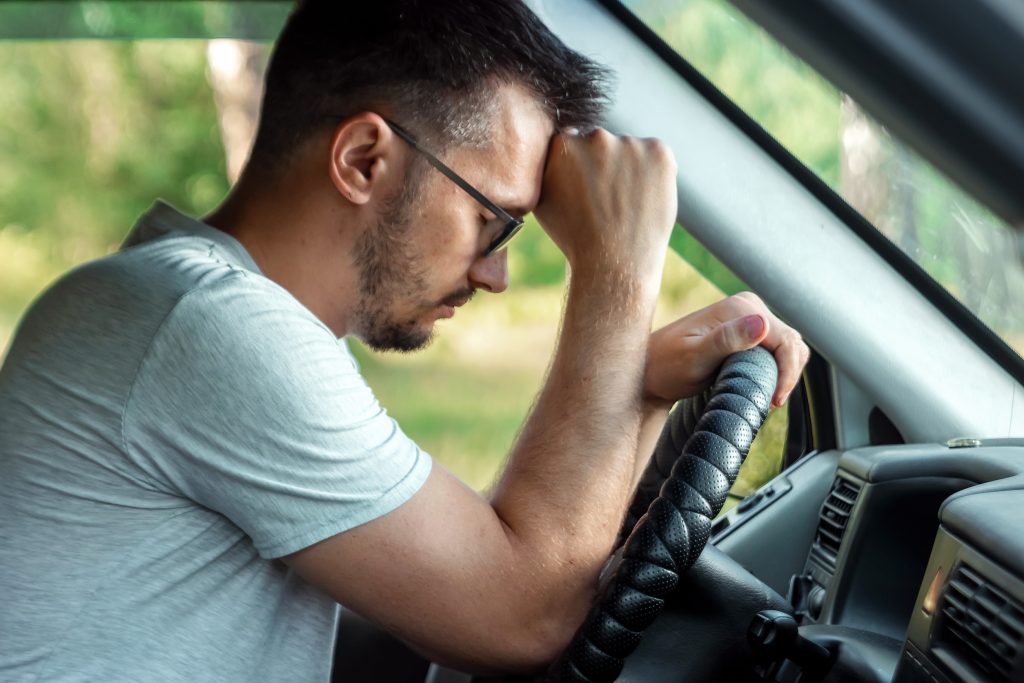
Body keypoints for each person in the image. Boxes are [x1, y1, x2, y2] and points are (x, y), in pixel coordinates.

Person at [0, 0, 809, 680]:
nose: (494, 275)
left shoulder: (182, 305)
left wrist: (640, 381)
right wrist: (619, 269)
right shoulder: (208, 326)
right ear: (362, 159)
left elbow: (478, 564)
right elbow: (521, 613)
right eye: (494, 220)